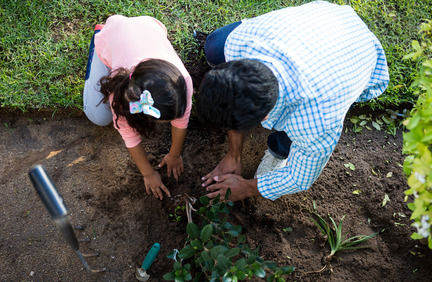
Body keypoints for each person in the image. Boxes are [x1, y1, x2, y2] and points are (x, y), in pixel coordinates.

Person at [196, 1, 389, 202]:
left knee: (292, 134)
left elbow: (300, 178)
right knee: (214, 46)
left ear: (265, 116)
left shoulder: (318, 121)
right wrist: (233, 154)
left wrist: (246, 188)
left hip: (358, 53)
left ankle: (279, 151)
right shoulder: (242, 45)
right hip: (323, 18)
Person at [83, 15, 192, 200]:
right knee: (99, 116)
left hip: (149, 26)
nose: (174, 121)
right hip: (112, 34)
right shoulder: (121, 99)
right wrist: (148, 173)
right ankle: (98, 36)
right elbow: (131, 138)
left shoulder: (182, 81)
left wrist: (174, 155)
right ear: (142, 109)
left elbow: (182, 121)